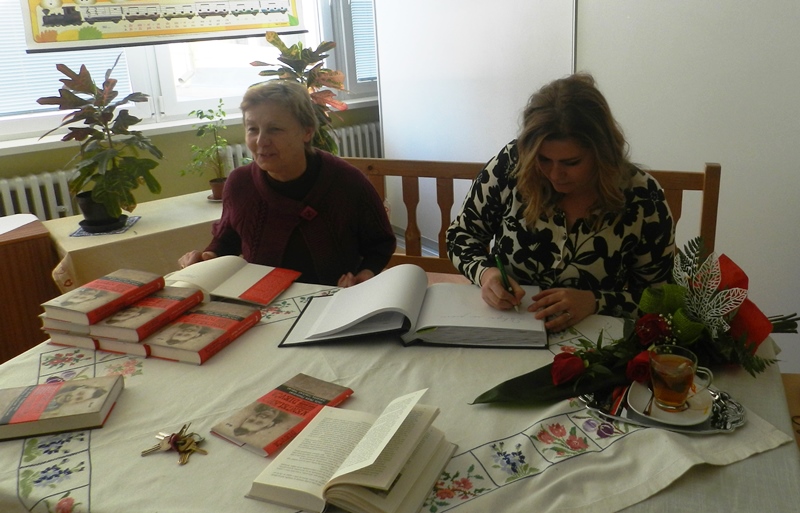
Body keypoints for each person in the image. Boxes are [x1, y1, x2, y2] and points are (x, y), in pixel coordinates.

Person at [446, 73, 674, 332]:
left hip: (593, 338)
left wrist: (595, 302)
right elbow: (461, 236)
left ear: (602, 152)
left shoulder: (641, 196)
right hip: (508, 328)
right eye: (543, 160)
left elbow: (661, 298)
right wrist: (487, 274)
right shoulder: (512, 163)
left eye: (571, 163)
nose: (555, 175)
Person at [178, 80, 396, 287]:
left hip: (336, 298)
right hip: (263, 300)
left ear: (307, 131)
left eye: (275, 129)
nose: (261, 141)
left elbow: (380, 245)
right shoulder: (239, 183)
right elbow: (227, 239)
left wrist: (364, 275)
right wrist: (207, 257)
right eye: (252, 129)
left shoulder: (347, 181)